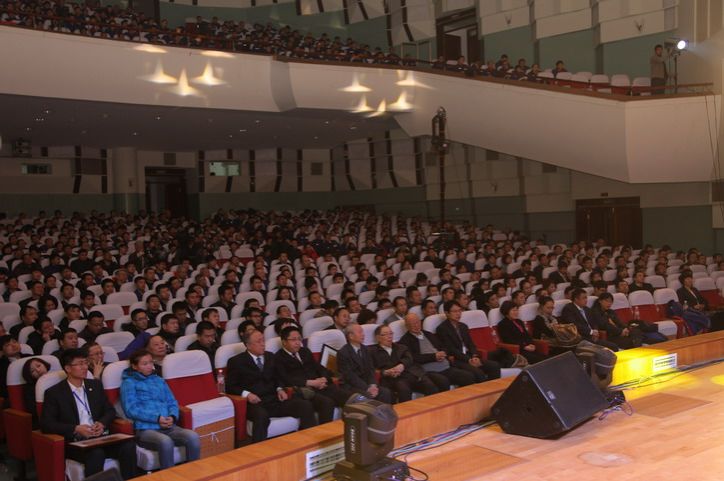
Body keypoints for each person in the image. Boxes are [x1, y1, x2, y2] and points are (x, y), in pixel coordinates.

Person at [40, 349, 138, 480]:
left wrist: (102, 423)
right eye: (80, 364)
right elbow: (47, 424)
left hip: (100, 437)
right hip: (76, 442)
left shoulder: (95, 385)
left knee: (128, 446)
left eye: (86, 363)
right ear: (68, 368)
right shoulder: (54, 393)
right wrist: (76, 429)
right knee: (96, 453)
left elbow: (110, 411)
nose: (85, 367)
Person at [226, 330, 318, 443]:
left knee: (305, 405)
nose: (263, 344)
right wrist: (247, 394)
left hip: (274, 400)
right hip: (254, 403)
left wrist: (279, 389)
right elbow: (230, 386)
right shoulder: (236, 361)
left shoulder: (270, 356)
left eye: (263, 340)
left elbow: (278, 377)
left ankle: (309, 442)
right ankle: (259, 450)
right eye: (259, 342)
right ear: (248, 345)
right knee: (261, 416)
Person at [120, 349, 200, 470]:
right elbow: (131, 409)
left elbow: (172, 401)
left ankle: (194, 473)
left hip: (168, 426)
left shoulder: (159, 380)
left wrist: (172, 417)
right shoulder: (128, 383)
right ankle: (169, 476)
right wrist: (157, 419)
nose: (149, 366)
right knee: (165, 441)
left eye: (150, 362)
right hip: (145, 429)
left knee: (193, 436)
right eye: (144, 364)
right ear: (135, 366)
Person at [274, 326, 350, 424]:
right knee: (327, 402)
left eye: (299, 339)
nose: (297, 342)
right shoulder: (278, 358)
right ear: (284, 342)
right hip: (304, 391)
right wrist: (311, 383)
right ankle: (325, 432)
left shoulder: (305, 351)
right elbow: (286, 378)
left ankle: (349, 427)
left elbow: (319, 368)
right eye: (293, 340)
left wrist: (324, 379)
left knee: (347, 397)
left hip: (320, 385)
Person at [398, 312, 476, 388]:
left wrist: (443, 353)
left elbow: (443, 347)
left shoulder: (428, 334)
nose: (416, 325)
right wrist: (434, 356)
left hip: (445, 366)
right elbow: (413, 358)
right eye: (412, 324)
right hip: (428, 371)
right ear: (407, 326)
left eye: (417, 322)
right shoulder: (405, 341)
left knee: (468, 376)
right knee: (443, 381)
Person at [368, 324, 441, 403]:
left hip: (411, 374)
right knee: (403, 388)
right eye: (385, 334)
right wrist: (385, 372)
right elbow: (371, 369)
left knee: (431, 386)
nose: (389, 336)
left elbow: (409, 358)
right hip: (392, 379)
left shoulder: (401, 347)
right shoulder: (372, 351)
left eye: (391, 333)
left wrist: (401, 365)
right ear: (378, 337)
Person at [436, 301, 501, 381]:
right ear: (447, 313)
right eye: (455, 311)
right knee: (478, 372)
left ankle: (494, 387)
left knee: (494, 365)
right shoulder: (442, 329)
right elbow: (451, 349)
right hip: (457, 359)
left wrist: (474, 356)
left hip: (470, 356)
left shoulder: (463, 326)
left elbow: (470, 343)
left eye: (459, 311)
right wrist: (468, 360)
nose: (458, 314)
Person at [336, 323, 393, 403]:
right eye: (360, 332)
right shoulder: (343, 353)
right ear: (351, 336)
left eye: (362, 332)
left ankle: (385, 411)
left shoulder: (366, 349)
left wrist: (373, 385)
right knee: (367, 396)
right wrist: (367, 388)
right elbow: (350, 376)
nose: (363, 334)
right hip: (351, 386)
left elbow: (371, 370)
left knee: (385, 392)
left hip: (367, 383)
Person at [22, 357, 51, 428]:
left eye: (39, 366)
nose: (38, 370)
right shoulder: (29, 389)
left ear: (44, 364)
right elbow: (33, 411)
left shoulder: (56, 378)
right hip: (42, 420)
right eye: (32, 371)